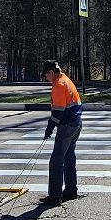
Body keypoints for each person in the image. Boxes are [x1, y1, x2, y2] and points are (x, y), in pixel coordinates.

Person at [40, 59, 82, 205]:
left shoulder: (58, 85)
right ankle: (71, 190)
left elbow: (57, 113)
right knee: (69, 157)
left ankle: (55, 195)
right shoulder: (66, 79)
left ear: (51, 72)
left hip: (67, 125)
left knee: (56, 161)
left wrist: (49, 127)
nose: (46, 78)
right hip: (76, 122)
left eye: (46, 75)